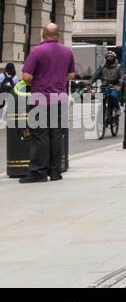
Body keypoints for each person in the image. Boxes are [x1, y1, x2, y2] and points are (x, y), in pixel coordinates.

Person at [19, 24, 76, 183]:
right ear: (58, 34)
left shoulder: (37, 51)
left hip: (41, 98)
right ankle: (55, 171)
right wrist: (58, 80)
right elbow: (71, 74)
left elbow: (26, 77)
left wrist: (39, 81)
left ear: (43, 34)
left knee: (40, 135)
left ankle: (38, 172)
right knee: (56, 135)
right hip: (60, 99)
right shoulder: (67, 52)